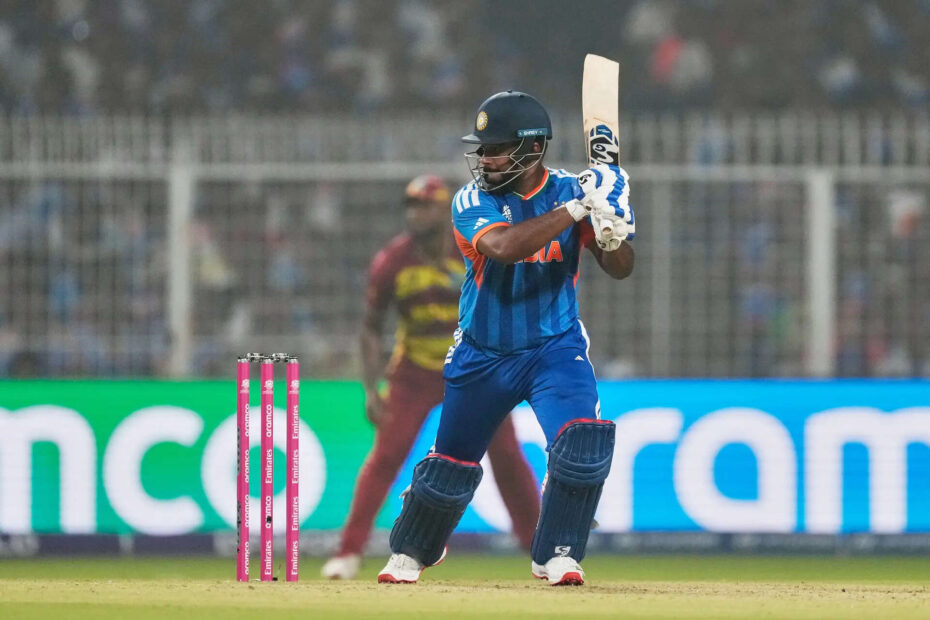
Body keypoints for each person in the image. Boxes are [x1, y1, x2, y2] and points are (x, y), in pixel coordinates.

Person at [377, 91, 635, 586]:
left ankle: (557, 552)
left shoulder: (576, 191)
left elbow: (621, 268)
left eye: (496, 149)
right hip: (483, 353)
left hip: (554, 347)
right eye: (483, 149)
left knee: (582, 444)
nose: (485, 159)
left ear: (533, 148)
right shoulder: (472, 200)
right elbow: (503, 247)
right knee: (451, 465)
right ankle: (413, 549)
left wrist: (610, 226)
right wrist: (579, 207)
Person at [321, 174, 542, 579]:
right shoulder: (393, 262)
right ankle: (349, 551)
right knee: (387, 457)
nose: (415, 214)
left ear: (446, 211)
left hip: (474, 371)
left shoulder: (473, 249)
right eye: (411, 206)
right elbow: (370, 327)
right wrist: (371, 389)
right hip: (415, 374)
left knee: (508, 457)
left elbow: (507, 305)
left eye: (425, 206)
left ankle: (540, 549)